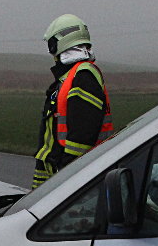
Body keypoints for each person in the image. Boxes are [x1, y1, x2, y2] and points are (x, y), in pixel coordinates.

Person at [33, 14, 112, 188]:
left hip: (70, 182)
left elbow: (82, 136)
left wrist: (66, 179)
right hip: (55, 179)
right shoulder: (70, 77)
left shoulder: (83, 76)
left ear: (57, 44)